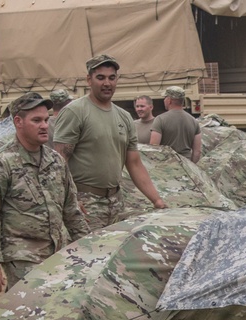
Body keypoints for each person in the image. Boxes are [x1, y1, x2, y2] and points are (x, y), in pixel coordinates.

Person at [0, 92, 89, 293]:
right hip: (22, 255)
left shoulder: (55, 161)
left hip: (57, 252)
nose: (45, 125)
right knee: (28, 315)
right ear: (18, 121)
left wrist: (89, 245)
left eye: (46, 120)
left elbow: (71, 210)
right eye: (36, 120)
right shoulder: (0, 162)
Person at [54, 55, 165, 229]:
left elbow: (134, 163)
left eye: (112, 78)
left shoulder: (124, 117)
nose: (107, 83)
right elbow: (60, 163)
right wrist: (72, 200)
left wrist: (157, 200)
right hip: (85, 203)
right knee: (87, 255)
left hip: (116, 202)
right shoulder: (75, 112)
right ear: (89, 80)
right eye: (101, 78)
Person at [150, 86, 202, 163]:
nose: (164, 100)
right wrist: (192, 166)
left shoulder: (160, 119)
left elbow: (153, 148)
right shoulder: (194, 121)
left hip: (167, 166)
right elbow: (197, 152)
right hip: (187, 166)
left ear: (169, 100)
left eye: (165, 98)